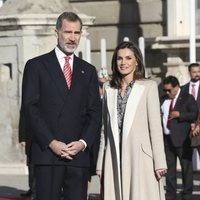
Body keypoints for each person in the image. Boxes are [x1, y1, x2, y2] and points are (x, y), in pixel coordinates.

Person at [22, 12, 102, 200]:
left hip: (77, 155)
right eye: (67, 32)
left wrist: (83, 143)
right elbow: (30, 108)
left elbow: (95, 112)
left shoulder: (88, 70)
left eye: (77, 33)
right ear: (56, 32)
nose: (72, 38)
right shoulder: (36, 66)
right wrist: (51, 142)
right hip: (47, 154)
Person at [96, 41, 167, 200]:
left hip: (140, 157)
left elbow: (155, 127)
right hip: (114, 155)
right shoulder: (109, 88)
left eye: (128, 58)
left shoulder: (149, 86)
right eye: (119, 58)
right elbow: (104, 130)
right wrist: (100, 162)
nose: (123, 62)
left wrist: (160, 161)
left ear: (137, 61)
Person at [161, 76, 198, 200]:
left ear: (177, 87)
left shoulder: (187, 98)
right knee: (169, 169)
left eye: (169, 90)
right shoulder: (163, 99)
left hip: (183, 140)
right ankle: (171, 193)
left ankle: (187, 193)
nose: (167, 93)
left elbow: (195, 114)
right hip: (166, 140)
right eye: (165, 90)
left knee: (186, 168)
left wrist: (180, 114)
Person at [181, 63, 200, 155]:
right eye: (194, 72)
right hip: (186, 128)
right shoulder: (183, 89)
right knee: (186, 160)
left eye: (199, 71)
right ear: (189, 73)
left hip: (199, 125)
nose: (197, 74)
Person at [18, 109, 36, 200]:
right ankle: (32, 189)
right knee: (30, 165)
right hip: (29, 137)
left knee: (36, 165)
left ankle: (35, 191)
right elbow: (23, 118)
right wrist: (22, 137)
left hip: (41, 137)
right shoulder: (28, 98)